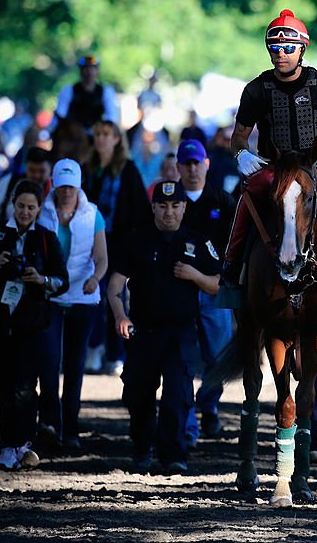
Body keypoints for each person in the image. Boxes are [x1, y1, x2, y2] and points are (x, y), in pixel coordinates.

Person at [221, 8, 317, 296]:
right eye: (274, 48)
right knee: (249, 194)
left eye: (288, 48)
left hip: (316, 165)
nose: (281, 54)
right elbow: (238, 137)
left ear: (301, 49)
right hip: (273, 166)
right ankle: (231, 264)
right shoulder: (256, 89)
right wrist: (242, 155)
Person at [108, 181, 221, 475]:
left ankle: (174, 454)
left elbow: (218, 286)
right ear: (154, 207)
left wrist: (195, 275)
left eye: (175, 206)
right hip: (144, 332)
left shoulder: (197, 243)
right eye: (162, 206)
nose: (169, 212)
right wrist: (121, 315)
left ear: (184, 207)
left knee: (177, 396)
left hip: (181, 334)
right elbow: (114, 286)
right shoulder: (137, 240)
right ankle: (142, 448)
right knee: (139, 394)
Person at [0, 180, 68, 471]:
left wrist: (41, 280)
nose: (25, 212)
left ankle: (22, 443)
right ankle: (9, 445)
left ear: (38, 209)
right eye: (21, 206)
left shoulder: (46, 239)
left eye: (31, 207)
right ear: (13, 204)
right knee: (4, 385)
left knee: (26, 387)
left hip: (31, 324)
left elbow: (61, 280)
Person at [36, 159, 108, 451]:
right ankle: (50, 422)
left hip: (82, 295)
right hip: (50, 294)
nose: (67, 192)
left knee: (75, 364)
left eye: (72, 187)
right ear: (54, 184)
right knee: (49, 361)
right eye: (62, 186)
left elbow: (102, 256)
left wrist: (96, 278)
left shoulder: (92, 215)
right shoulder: (42, 213)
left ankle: (72, 427)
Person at [173, 139, 233, 445]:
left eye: (197, 163)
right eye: (187, 163)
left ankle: (208, 406)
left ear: (206, 164)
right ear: (178, 166)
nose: (192, 168)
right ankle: (187, 425)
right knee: (182, 358)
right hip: (179, 291)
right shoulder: (171, 200)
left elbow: (237, 248)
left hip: (214, 289)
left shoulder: (223, 201)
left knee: (218, 356)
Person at [83, 119, 153, 374]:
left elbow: (141, 212)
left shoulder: (129, 170)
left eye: (106, 134)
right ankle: (92, 347)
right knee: (91, 297)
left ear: (116, 139)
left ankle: (116, 353)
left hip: (120, 246)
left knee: (116, 298)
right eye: (97, 133)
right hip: (90, 246)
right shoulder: (88, 169)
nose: (100, 138)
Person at [0, 146, 53, 224]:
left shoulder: (56, 189)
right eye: (32, 170)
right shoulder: (10, 181)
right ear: (25, 167)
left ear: (51, 168)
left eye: (42, 171)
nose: (36, 175)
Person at [51, 55, 120, 132]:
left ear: (97, 71)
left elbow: (112, 116)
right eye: (86, 68)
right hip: (73, 134)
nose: (89, 72)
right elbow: (60, 113)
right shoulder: (68, 90)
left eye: (92, 68)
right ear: (80, 70)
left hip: (97, 134)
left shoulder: (106, 92)